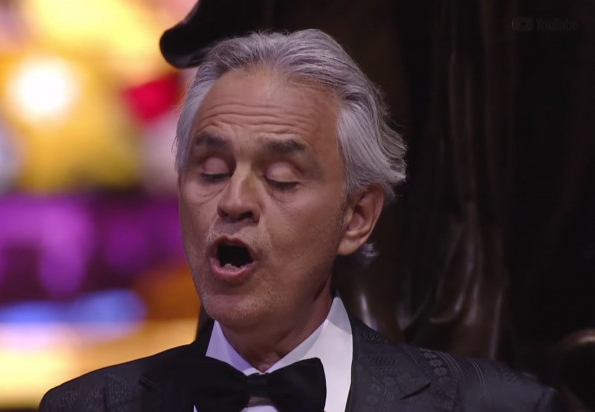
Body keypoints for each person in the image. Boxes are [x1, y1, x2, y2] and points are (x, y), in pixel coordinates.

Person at [39, 29, 569, 412]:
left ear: (357, 216)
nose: (234, 201)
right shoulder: (86, 406)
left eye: (281, 178)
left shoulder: (496, 405)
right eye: (213, 171)